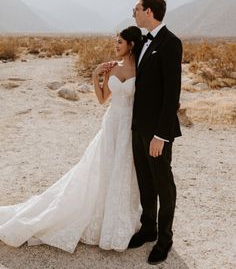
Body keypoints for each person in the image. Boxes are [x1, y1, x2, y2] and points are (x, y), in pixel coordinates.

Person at [0, 26, 143, 253]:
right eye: (116, 42)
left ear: (131, 45)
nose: (116, 46)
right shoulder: (111, 68)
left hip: (130, 127)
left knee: (123, 171)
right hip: (112, 123)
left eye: (119, 42)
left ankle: (117, 219)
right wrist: (96, 75)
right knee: (103, 169)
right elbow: (103, 99)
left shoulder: (142, 68)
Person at [128, 0, 182, 265]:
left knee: (163, 183)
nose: (133, 13)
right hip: (137, 127)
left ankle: (165, 237)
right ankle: (148, 227)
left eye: (136, 8)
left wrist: (161, 135)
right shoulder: (140, 43)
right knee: (144, 179)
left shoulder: (171, 43)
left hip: (158, 131)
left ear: (148, 11)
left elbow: (172, 94)